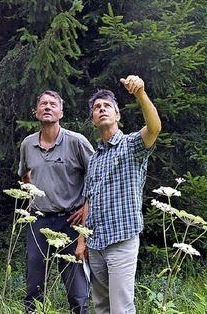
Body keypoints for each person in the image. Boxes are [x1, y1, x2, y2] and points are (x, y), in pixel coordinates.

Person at [75, 75, 162, 314]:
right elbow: (88, 200)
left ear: (117, 114)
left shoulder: (132, 145)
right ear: (93, 120)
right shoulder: (93, 160)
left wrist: (141, 94)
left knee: (121, 308)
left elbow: (154, 128)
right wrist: (82, 241)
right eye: (96, 107)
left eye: (107, 106)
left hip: (121, 240)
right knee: (102, 306)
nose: (101, 109)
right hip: (95, 244)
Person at [18, 90, 95, 313]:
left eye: (53, 104)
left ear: (61, 112)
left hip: (70, 222)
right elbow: (25, 175)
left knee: (77, 290)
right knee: (34, 286)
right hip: (39, 222)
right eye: (43, 104)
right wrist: (30, 196)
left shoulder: (76, 142)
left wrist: (85, 208)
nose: (48, 107)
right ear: (36, 112)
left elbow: (97, 176)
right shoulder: (27, 144)